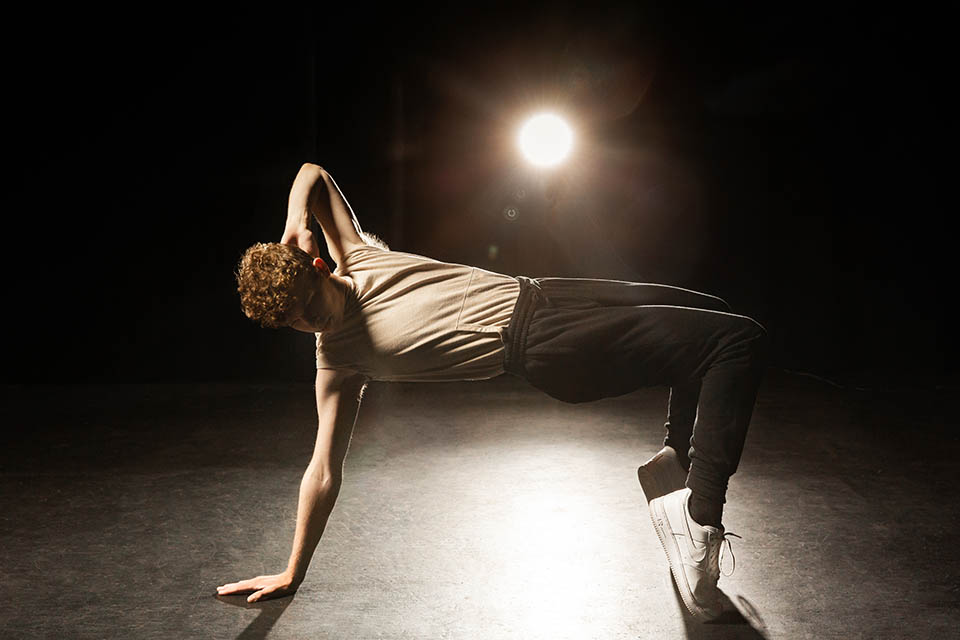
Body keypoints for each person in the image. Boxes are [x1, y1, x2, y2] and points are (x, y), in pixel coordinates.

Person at [217, 163, 768, 621]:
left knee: (713, 316)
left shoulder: (358, 255)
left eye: (312, 307)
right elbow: (322, 470)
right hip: (545, 347)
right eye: (300, 324)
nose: (315, 324)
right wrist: (293, 569)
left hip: (545, 294)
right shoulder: (338, 363)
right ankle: (698, 521)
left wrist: (294, 220)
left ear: (318, 265)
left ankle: (675, 462)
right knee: (736, 343)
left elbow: (311, 173)